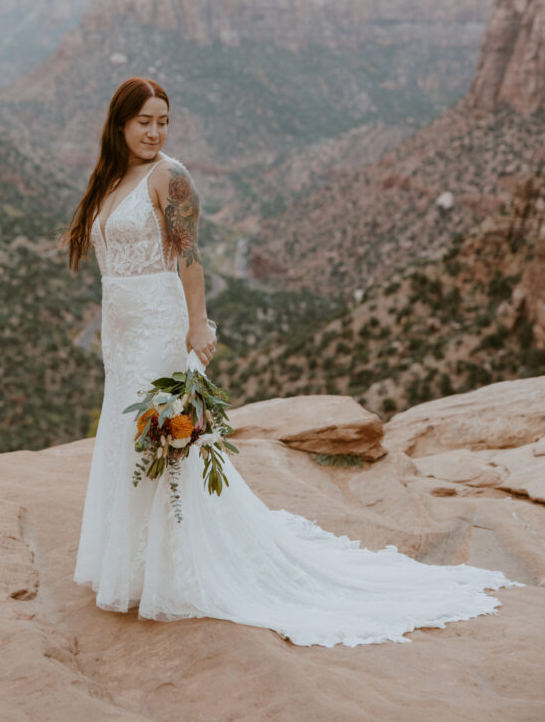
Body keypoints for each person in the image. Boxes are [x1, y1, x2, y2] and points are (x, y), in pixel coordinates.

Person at [63, 76, 522, 647]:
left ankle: (176, 568)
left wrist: (198, 325)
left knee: (165, 439)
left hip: (159, 326)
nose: (155, 132)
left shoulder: (169, 177)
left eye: (163, 121)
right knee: (127, 436)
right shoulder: (112, 176)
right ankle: (132, 567)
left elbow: (190, 257)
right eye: (144, 122)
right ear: (120, 125)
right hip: (122, 332)